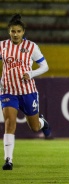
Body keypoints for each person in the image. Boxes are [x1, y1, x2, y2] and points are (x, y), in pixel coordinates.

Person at [0, 14, 51, 170]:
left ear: (23, 32)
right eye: (13, 31)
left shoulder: (31, 47)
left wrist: (31, 73)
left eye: (18, 31)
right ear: (9, 32)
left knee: (35, 127)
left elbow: (45, 66)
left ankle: (43, 123)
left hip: (28, 91)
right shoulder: (2, 46)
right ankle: (8, 159)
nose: (15, 34)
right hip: (8, 91)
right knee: (10, 123)